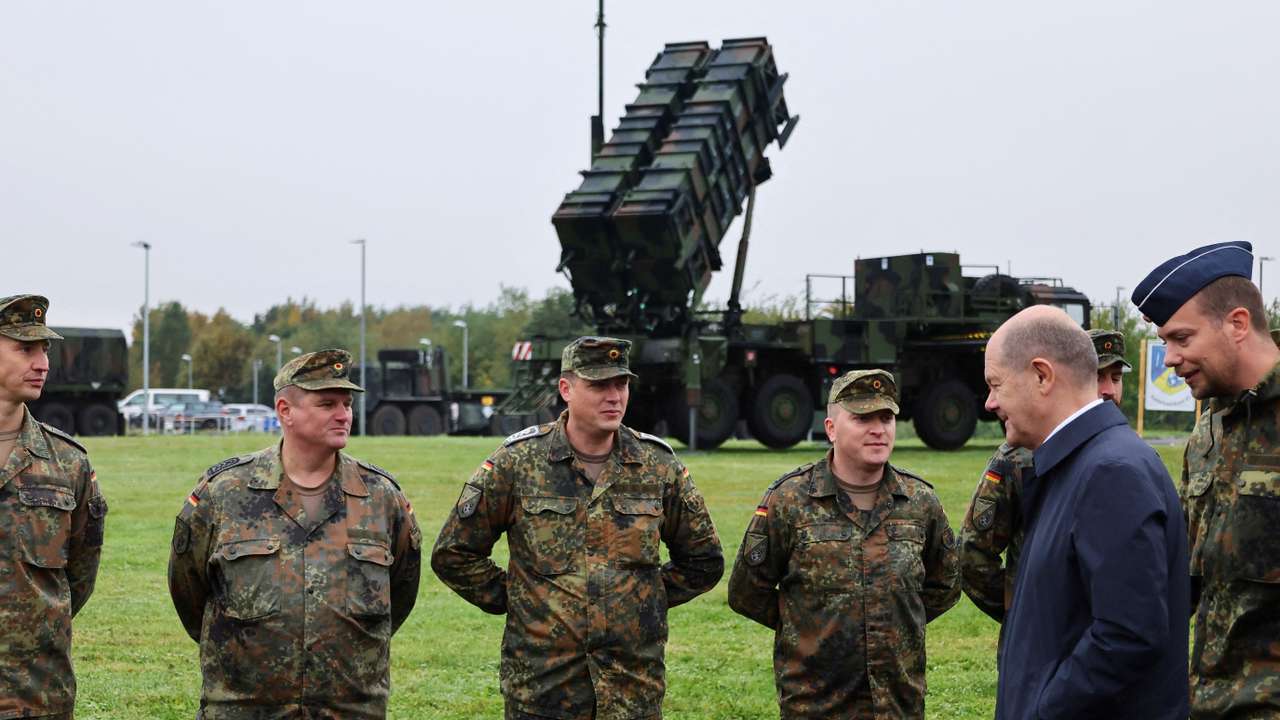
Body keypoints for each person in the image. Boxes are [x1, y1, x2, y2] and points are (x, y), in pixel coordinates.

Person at [431, 336, 723, 720]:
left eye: (621, 384)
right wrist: (519, 600)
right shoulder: (518, 463)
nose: (614, 396)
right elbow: (455, 552)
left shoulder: (657, 465)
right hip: (543, 690)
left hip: (630, 689)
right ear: (566, 389)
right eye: (599, 385)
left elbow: (704, 559)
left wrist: (641, 600)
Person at [168, 349, 421, 719]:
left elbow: (401, 590)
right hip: (245, 708)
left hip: (349, 708)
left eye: (347, 404)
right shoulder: (225, 492)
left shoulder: (380, 497)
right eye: (327, 403)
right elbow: (188, 590)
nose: (343, 415)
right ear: (285, 410)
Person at [986, 306, 1188, 720]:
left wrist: (1042, 710)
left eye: (996, 384)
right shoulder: (1076, 463)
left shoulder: (1111, 472)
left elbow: (1127, 635)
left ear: (1042, 376)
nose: (990, 403)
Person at [726, 369, 959, 718]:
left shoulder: (919, 501)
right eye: (863, 418)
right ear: (831, 429)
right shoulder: (790, 500)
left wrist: (891, 621)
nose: (878, 429)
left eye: (886, 417)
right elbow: (747, 592)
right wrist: (806, 626)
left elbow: (945, 585)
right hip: (817, 703)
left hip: (898, 704)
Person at [1132, 240, 1280, 718]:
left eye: (1181, 338)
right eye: (1164, 343)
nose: (1170, 359)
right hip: (1207, 705)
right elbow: (1190, 573)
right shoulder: (1210, 428)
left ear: (1237, 324)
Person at [959, 328, 1131, 628]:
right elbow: (971, 555)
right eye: (1097, 378)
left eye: (1115, 378)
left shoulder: (1136, 459)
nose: (1108, 391)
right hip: (1040, 646)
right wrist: (1024, 612)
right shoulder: (1020, 459)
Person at [0, 294, 108, 720]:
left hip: (36, 692)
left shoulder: (67, 462)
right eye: (25, 349)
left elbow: (78, 577)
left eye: (44, 349)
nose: (42, 362)